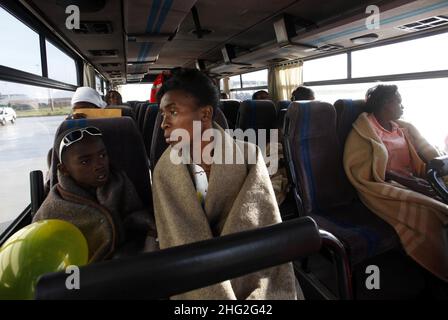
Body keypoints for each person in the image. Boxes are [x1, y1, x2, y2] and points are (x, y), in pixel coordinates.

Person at [152, 68, 300, 299]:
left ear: (205, 114)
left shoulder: (249, 155)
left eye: (172, 112)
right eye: (162, 115)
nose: (164, 124)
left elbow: (262, 226)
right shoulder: (164, 171)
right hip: (194, 276)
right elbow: (176, 239)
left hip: (248, 265)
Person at [343, 84, 448, 281]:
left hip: (412, 179)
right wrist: (406, 181)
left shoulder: (403, 128)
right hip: (384, 185)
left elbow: (423, 154)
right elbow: (362, 172)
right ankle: (439, 270)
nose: (403, 106)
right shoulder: (363, 132)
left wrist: (422, 176)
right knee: (433, 212)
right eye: (398, 101)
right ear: (385, 104)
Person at [33, 127, 157, 262]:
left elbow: (136, 214)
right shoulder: (53, 207)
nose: (100, 165)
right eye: (85, 161)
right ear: (65, 169)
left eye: (102, 155)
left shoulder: (119, 182)